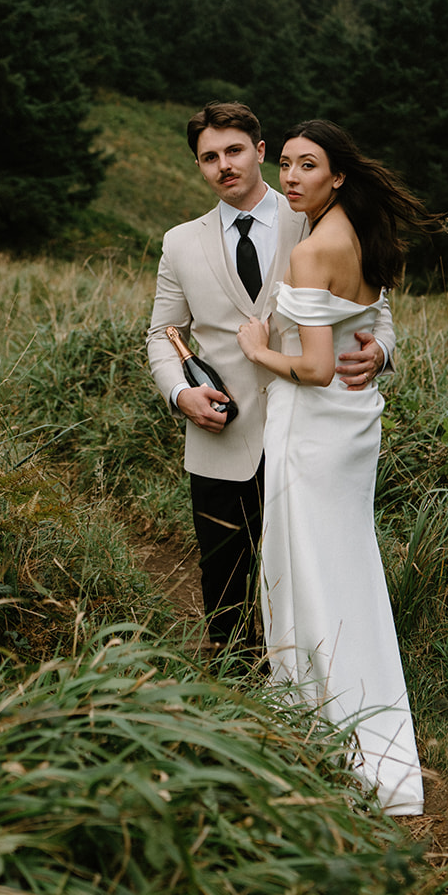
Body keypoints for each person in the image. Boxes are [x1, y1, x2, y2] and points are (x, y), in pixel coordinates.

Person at [146, 101, 394, 659]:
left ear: (260, 152)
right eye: (209, 157)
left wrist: (381, 351)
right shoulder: (179, 242)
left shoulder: (312, 213)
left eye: (234, 150)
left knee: (303, 570)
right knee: (226, 585)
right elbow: (162, 332)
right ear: (200, 168)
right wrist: (181, 393)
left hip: (304, 433)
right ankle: (233, 693)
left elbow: (374, 308)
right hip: (220, 437)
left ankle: (309, 674)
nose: (223, 165)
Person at [236, 118, 433, 816]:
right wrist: (378, 351)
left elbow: (317, 369)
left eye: (307, 166)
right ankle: (335, 715)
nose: (291, 177)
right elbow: (374, 322)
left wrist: (259, 349)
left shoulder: (313, 250)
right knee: (345, 565)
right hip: (353, 431)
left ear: (337, 175)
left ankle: (325, 725)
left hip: (314, 428)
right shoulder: (362, 234)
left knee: (307, 568)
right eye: (285, 164)